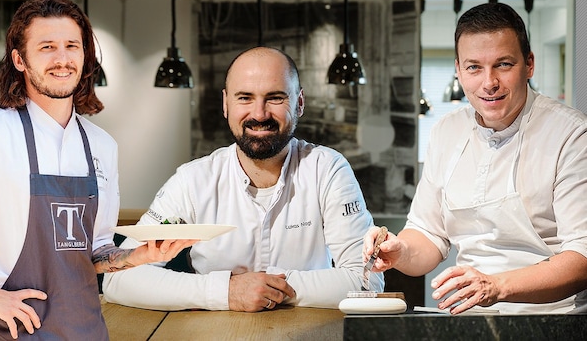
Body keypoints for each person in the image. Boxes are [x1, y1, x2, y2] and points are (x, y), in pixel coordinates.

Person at [0, 0, 194, 340]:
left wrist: (140, 255)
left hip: (87, 330)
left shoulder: (102, 145)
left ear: (85, 56)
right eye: (47, 47)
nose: (63, 58)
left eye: (72, 46)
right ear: (19, 60)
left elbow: (94, 253)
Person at [102, 46, 383, 312]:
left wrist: (264, 288)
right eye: (244, 98)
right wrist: (227, 292)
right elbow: (120, 279)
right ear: (226, 104)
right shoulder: (193, 180)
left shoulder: (328, 169)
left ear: (299, 104)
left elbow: (367, 281)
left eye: (275, 97)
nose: (259, 114)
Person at [363, 2, 587, 315]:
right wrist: (400, 251)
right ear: (458, 69)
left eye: (504, 64)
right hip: (468, 317)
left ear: (530, 64)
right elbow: (428, 234)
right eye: (474, 67)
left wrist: (497, 286)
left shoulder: (571, 133)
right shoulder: (446, 130)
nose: (489, 82)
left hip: (554, 320)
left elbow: (583, 257)